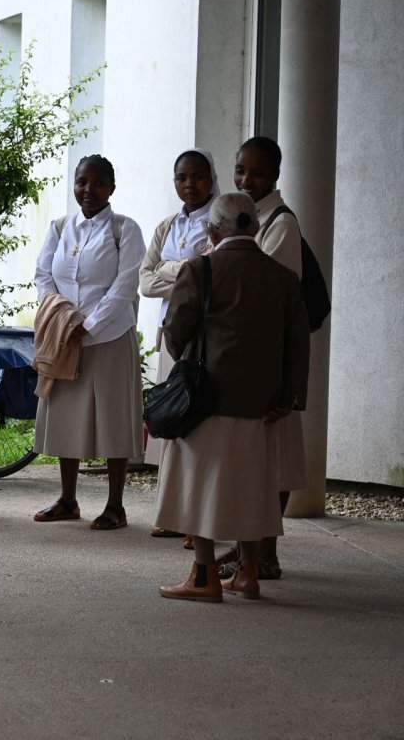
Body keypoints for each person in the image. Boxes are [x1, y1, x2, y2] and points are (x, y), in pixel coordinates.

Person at [154, 192, 309, 602]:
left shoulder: (200, 268)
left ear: (212, 228)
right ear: (255, 227)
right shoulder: (283, 277)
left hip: (208, 398)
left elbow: (175, 331)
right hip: (263, 403)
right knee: (253, 485)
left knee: (198, 484)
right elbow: (297, 345)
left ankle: (203, 576)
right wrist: (289, 396)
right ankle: (246, 573)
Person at [32, 155, 145, 530]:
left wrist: (90, 324)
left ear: (112, 187)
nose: (88, 190)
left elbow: (126, 285)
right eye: (82, 182)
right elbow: (43, 274)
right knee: (66, 415)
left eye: (98, 183)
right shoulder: (61, 226)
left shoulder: (124, 229)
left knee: (113, 418)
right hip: (66, 336)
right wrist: (61, 315)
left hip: (109, 338)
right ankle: (68, 499)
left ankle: (116, 505)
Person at [225, 135, 305, 579]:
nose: (246, 179)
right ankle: (249, 552)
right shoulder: (247, 216)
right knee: (254, 459)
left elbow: (267, 287)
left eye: (256, 172)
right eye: (240, 170)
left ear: (275, 174)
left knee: (273, 461)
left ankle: (265, 554)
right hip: (249, 356)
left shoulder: (281, 222)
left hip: (271, 358)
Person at [139, 147, 219, 539]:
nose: (190, 184)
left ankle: (196, 520)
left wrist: (170, 272)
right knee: (170, 420)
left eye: (198, 176)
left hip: (202, 337)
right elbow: (144, 281)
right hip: (169, 333)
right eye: (181, 178)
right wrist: (186, 271)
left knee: (197, 424)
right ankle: (173, 514)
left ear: (212, 178)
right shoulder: (168, 225)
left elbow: (213, 274)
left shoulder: (219, 220)